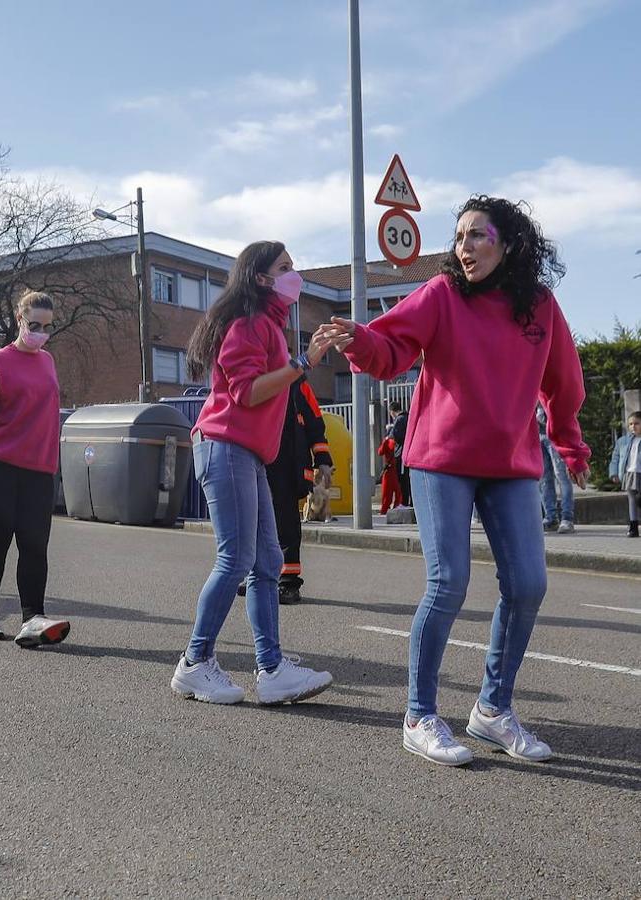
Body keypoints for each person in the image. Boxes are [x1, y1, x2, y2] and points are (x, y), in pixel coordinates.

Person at [324, 195, 589, 767]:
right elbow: (392, 347)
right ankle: (419, 716)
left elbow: (562, 379)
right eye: (460, 236)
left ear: (509, 243)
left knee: (528, 584)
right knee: (449, 581)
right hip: (440, 457)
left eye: (478, 236)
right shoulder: (441, 295)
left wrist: (569, 442)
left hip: (509, 461)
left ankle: (493, 711)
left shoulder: (539, 306)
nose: (464, 247)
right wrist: (358, 340)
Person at [169, 240, 335, 706]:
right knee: (237, 560)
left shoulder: (268, 325)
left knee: (267, 564)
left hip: (246, 454)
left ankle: (272, 670)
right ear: (261, 278)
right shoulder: (248, 324)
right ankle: (195, 662)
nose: (293, 274)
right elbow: (246, 393)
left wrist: (303, 360)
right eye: (284, 267)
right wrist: (303, 364)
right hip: (225, 446)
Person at [0, 290, 70, 647]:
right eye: (34, 324)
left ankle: (33, 618)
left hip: (39, 468)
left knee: (35, 544)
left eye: (47, 327)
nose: (40, 332)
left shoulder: (48, 361)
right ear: (19, 321)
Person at [264, 376, 332, 604]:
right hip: (261, 464)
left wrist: (322, 459)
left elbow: (315, 424)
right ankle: (261, 577)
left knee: (286, 525)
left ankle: (288, 583)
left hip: (288, 467)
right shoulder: (256, 375)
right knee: (259, 524)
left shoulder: (298, 384)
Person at [537, 406, 575, 532]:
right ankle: (550, 517)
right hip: (537, 435)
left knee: (562, 476)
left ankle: (567, 518)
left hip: (556, 435)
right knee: (543, 479)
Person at [610, 410, 641, 537]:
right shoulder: (623, 441)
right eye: (630, 424)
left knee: (639, 499)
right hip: (629, 473)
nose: (633, 426)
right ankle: (633, 526)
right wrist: (614, 473)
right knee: (632, 499)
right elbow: (615, 457)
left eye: (637, 423)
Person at [388, 401, 411, 507]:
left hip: (401, 453)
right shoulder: (409, 417)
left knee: (402, 479)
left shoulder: (399, 420)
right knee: (408, 479)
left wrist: (389, 433)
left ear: (392, 411)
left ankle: (404, 502)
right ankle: (410, 502)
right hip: (409, 452)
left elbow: (394, 435)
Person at [377, 434, 403, 515]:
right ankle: (393, 508)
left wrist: (385, 441)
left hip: (391, 471)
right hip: (394, 471)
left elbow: (380, 452)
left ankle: (385, 510)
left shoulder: (388, 442)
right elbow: (380, 452)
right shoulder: (394, 442)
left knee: (388, 493)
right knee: (396, 492)